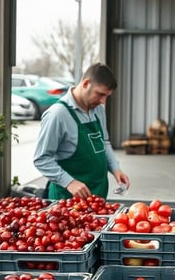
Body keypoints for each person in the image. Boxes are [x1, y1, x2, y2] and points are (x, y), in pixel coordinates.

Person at [34, 62, 130, 200]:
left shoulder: (98, 110)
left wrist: (115, 168)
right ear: (86, 84)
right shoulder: (58, 114)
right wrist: (69, 182)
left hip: (97, 195)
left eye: (107, 96)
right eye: (100, 94)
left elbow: (104, 142)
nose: (103, 101)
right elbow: (41, 159)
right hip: (67, 201)